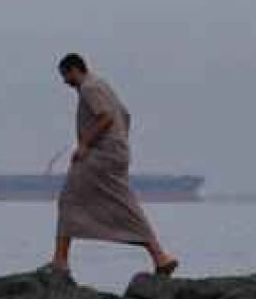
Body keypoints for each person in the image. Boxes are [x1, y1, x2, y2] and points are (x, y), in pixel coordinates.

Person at [47, 53, 179, 277]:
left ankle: (60, 262)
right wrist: (119, 143)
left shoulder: (89, 88)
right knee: (124, 204)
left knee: (69, 199)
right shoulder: (102, 85)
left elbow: (106, 116)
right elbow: (125, 115)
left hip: (99, 156)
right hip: (115, 154)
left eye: (65, 75)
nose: (64, 82)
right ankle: (160, 257)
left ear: (74, 70)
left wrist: (85, 145)